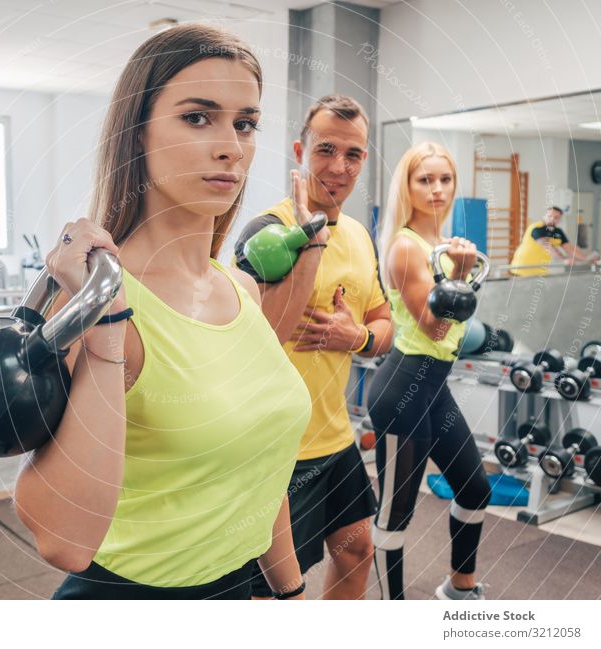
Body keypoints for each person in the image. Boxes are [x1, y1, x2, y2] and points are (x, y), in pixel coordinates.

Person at [13, 24, 312, 600]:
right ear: (137, 134)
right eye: (198, 117)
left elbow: (262, 467)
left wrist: (290, 592)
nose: (231, 145)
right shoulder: (90, 302)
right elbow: (62, 540)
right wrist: (103, 326)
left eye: (245, 123)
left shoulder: (242, 292)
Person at [235, 95, 393, 600]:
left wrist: (359, 338)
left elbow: (384, 323)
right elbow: (250, 336)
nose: (339, 167)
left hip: (335, 437)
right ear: (301, 151)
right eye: (326, 150)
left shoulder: (360, 237)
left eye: (354, 154)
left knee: (356, 551)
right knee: (277, 592)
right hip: (280, 448)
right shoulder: (267, 232)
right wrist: (312, 240)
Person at [368, 141, 492, 600]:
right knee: (395, 513)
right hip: (402, 389)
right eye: (425, 180)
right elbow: (437, 329)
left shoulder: (442, 246)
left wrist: (458, 270)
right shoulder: (406, 247)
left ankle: (459, 588)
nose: (436, 189)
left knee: (476, 487)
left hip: (434, 387)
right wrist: (458, 275)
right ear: (408, 186)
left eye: (445, 179)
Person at [510, 206, 594, 275]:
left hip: (540, 271)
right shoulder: (537, 228)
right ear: (544, 216)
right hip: (521, 268)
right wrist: (564, 259)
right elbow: (547, 246)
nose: (552, 219)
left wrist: (587, 259)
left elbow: (569, 248)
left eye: (556, 217)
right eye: (549, 216)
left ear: (559, 220)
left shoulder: (558, 232)